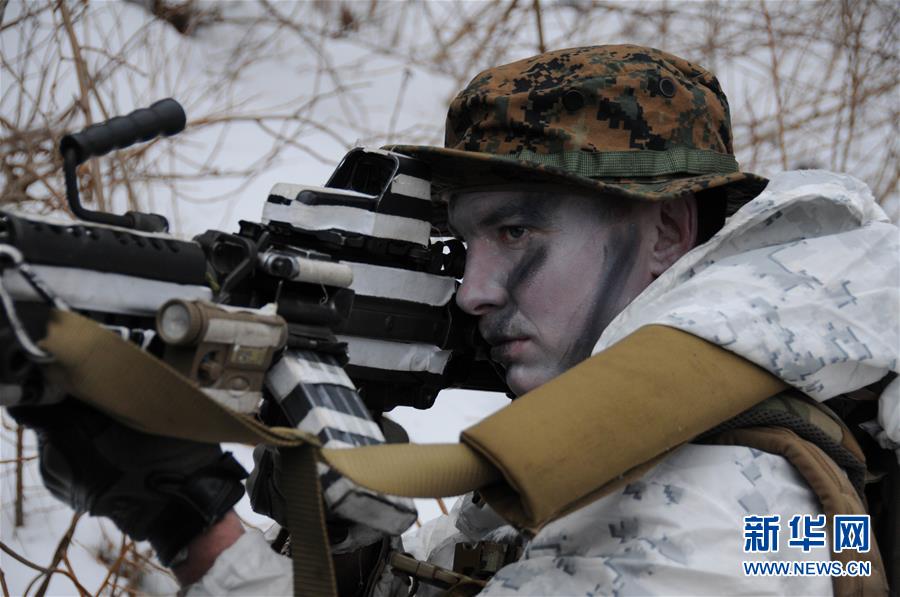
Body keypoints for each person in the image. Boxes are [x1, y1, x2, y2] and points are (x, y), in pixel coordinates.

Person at [13, 45, 898, 596]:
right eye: (467, 241)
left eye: (517, 231)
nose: (473, 292)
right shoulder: (641, 443)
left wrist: (199, 532)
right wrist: (356, 555)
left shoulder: (701, 508)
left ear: (667, 228)